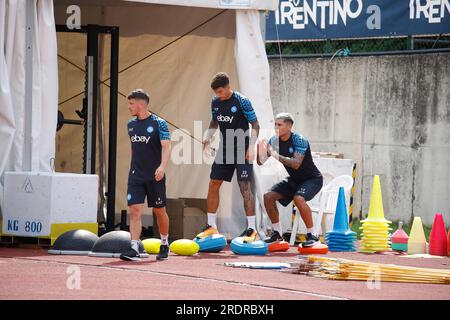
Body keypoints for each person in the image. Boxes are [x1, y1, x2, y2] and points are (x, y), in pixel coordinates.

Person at [196, 72, 260, 242]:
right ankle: (211, 226)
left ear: (227, 87)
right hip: (225, 148)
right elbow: (214, 121)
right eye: (216, 93)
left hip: (242, 147)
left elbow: (255, 124)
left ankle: (252, 228)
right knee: (213, 183)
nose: (218, 96)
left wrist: (252, 146)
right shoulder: (215, 102)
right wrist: (208, 137)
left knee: (244, 187)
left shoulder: (242, 101)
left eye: (220, 92)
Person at [120, 89, 171, 261]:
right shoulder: (131, 125)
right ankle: (134, 247)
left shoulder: (159, 123)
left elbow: (166, 146)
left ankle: (164, 242)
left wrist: (162, 167)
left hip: (155, 176)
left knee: (159, 210)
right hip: (135, 175)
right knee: (134, 210)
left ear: (141, 104)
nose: (129, 107)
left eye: (131, 103)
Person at [257, 113, 323, 247]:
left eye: (279, 125)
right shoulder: (274, 140)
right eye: (275, 124)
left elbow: (295, 164)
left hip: (312, 179)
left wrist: (274, 154)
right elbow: (260, 162)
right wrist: (262, 152)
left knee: (299, 198)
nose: (276, 127)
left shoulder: (299, 140)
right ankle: (277, 234)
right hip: (294, 180)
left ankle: (312, 236)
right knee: (268, 196)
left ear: (289, 126)